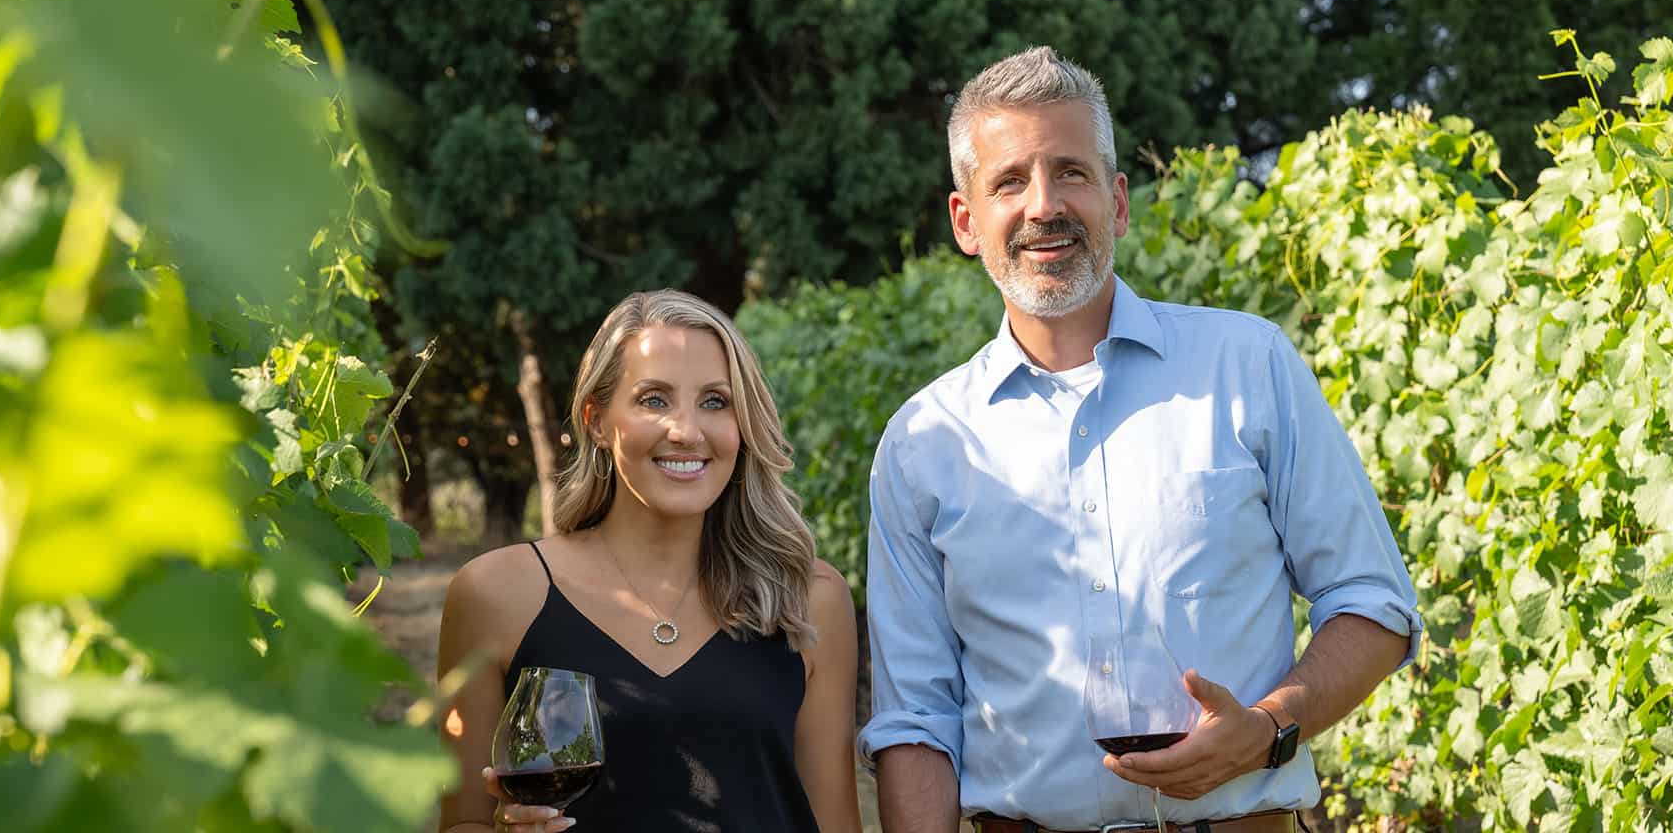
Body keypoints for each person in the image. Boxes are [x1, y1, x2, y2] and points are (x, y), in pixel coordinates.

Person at [861, 47, 1423, 833]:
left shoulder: (1247, 366)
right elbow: (916, 720)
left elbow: (1373, 603)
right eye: (1010, 182)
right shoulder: (924, 443)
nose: (1045, 205)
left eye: (1071, 172)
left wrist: (1265, 730)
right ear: (966, 221)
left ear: (1118, 203)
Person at [437, 289, 862, 833]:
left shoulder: (809, 600)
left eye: (716, 401)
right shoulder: (496, 594)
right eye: (654, 400)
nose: (686, 431)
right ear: (596, 420)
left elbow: (834, 823)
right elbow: (462, 822)